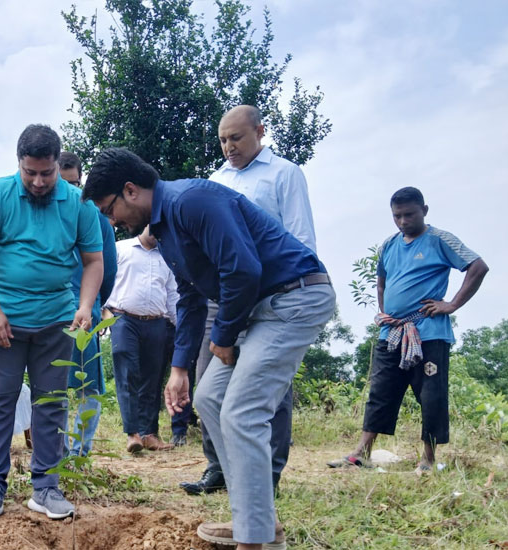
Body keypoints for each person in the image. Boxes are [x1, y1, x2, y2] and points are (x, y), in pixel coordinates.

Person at [82, 147, 335, 550]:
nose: (112, 222)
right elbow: (190, 298)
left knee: (242, 411)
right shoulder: (164, 230)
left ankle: (256, 541)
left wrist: (224, 337)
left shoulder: (191, 200)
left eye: (109, 210)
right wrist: (180, 370)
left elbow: (243, 268)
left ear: (130, 190)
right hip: (257, 309)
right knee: (210, 398)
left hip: (294, 298)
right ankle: (256, 520)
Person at [0, 125, 104, 522]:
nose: (39, 181)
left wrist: (85, 306)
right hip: (3, 323)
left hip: (56, 322)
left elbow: (94, 261)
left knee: (51, 403)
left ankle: (46, 487)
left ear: (58, 165)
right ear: (19, 165)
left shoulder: (79, 203)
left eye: (47, 173)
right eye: (30, 173)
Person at [181, 104, 318, 495]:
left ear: (260, 131)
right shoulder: (215, 180)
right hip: (223, 297)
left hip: (272, 296)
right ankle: (218, 467)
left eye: (236, 138)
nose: (229, 147)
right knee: (209, 382)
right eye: (223, 140)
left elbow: (300, 238)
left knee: (266, 383)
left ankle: (267, 473)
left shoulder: (284, 174)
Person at [329, 187, 488, 473]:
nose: (403, 221)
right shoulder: (389, 244)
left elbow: (478, 266)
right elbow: (381, 282)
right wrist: (384, 311)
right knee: (381, 390)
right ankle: (362, 453)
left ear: (424, 210)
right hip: (392, 332)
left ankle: (427, 459)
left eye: (409, 214)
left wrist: (451, 304)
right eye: (397, 216)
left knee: (430, 394)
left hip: (429, 331)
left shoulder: (440, 239)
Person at [59, 152, 118, 457]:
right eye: (63, 183)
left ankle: (79, 451)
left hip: (84, 314)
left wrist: (95, 304)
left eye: (75, 184)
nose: (70, 191)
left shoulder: (97, 218)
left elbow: (106, 270)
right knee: (52, 386)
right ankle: (57, 450)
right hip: (50, 312)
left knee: (87, 386)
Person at [104, 226, 178, 453]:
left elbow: (172, 293)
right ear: (143, 224)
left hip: (157, 321)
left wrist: (179, 325)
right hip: (124, 319)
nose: (157, 232)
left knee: (152, 378)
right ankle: (132, 433)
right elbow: (103, 278)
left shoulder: (168, 257)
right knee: (128, 373)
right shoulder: (120, 248)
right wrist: (104, 311)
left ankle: (149, 433)